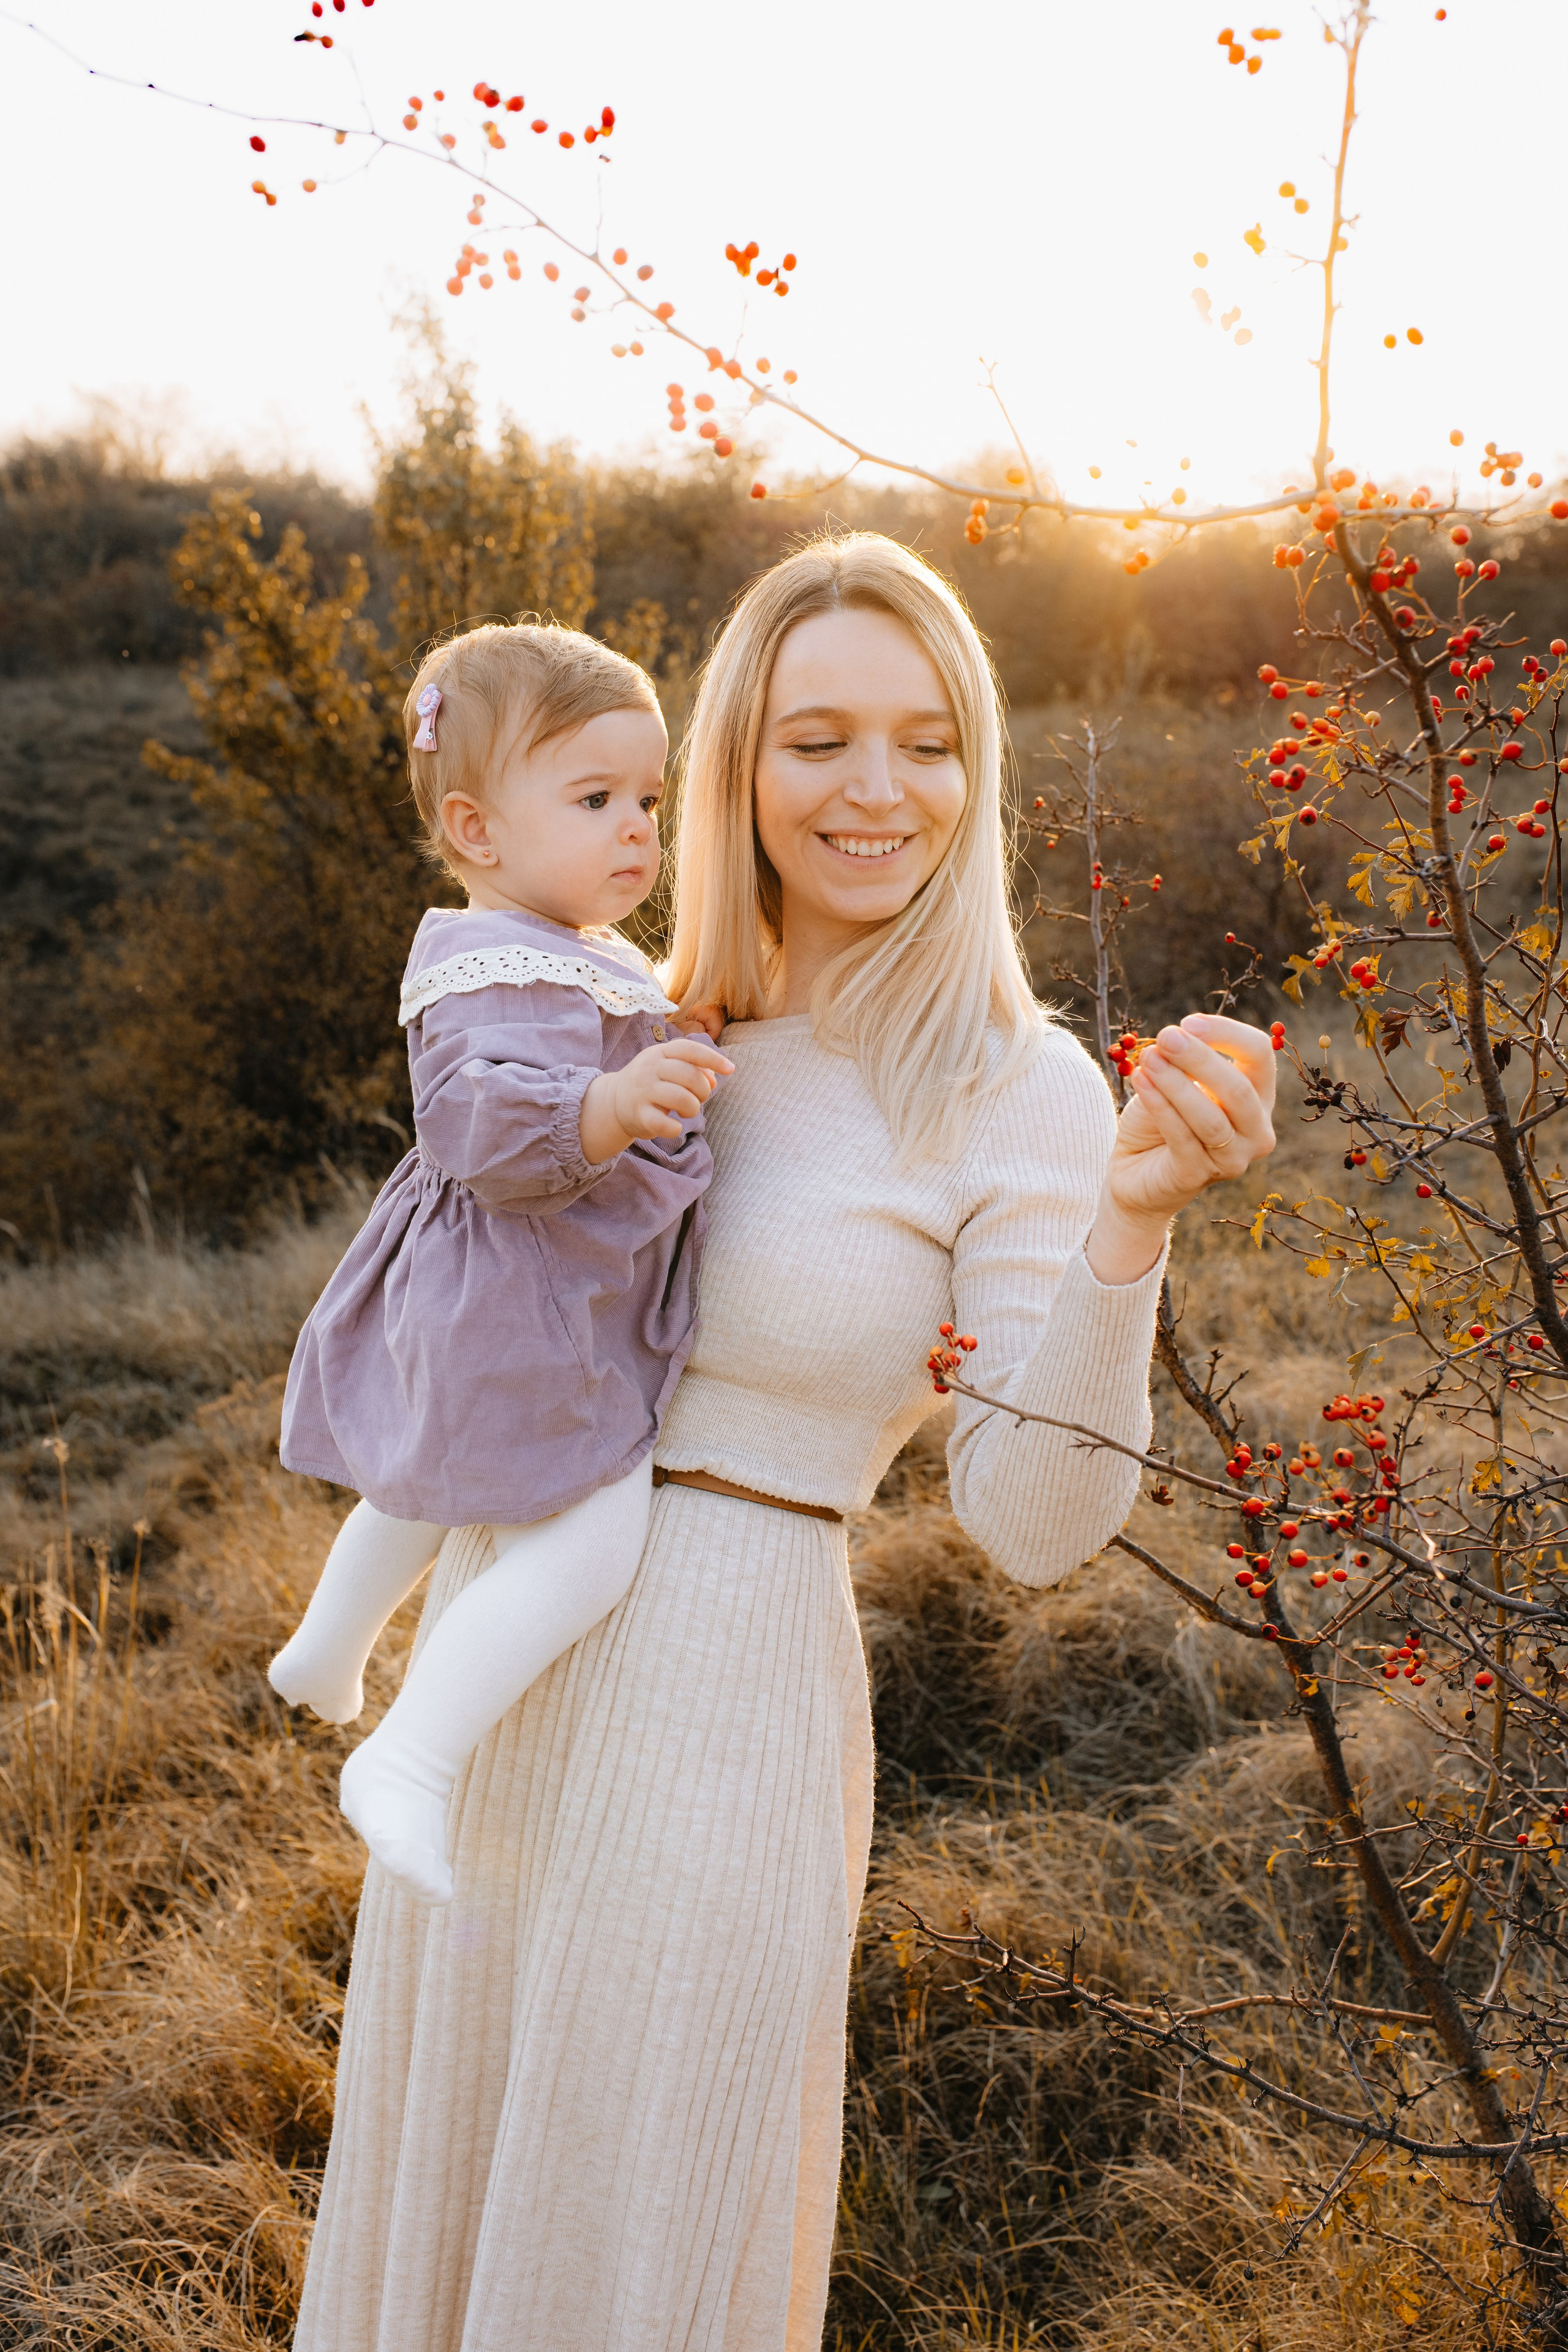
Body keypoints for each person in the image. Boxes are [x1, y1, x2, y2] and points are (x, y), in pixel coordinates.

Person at [292, 534, 1276, 2352]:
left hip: (725, 1707)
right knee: (445, 2218)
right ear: (735, 762)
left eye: (927, 740)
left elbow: (1038, 1524)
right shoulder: (635, 1016)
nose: (877, 790)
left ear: (976, 772)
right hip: (503, 1676)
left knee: (632, 2237)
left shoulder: (1015, 1083)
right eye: (818, 737)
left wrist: (1127, 1228)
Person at [270, 621, 730, 1905]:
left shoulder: (565, 944)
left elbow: (593, 1035)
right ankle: (409, 1758)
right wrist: (607, 1103)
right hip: (525, 1293)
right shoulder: (491, 964)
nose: (635, 829)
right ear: (476, 830)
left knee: (431, 1474)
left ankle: (326, 1647)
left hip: (494, 1289)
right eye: (593, 800)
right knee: (593, 1534)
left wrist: (654, 1042)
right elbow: (476, 1122)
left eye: (646, 797)